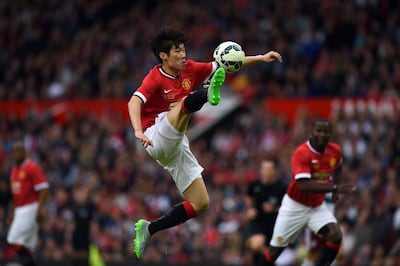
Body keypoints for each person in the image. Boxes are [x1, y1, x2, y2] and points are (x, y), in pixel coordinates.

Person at [128, 26, 282, 259]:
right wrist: (138, 131)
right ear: (163, 56)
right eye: (177, 51)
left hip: (177, 142)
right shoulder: (155, 77)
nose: (183, 54)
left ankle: (149, 228)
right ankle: (207, 93)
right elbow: (134, 102)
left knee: (201, 203)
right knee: (182, 106)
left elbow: (228, 63)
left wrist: (260, 58)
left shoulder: (190, 69)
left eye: (183, 50)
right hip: (154, 135)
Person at [258, 120, 357, 266]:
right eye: (318, 131)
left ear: (330, 134)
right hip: (294, 206)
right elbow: (303, 185)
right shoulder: (302, 153)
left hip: (316, 207)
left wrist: (336, 187)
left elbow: (338, 165)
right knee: (274, 252)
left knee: (335, 235)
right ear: (311, 132)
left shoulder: (335, 150)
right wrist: (333, 188)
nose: (322, 135)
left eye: (325, 131)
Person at [6, 141, 49, 266]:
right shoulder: (14, 169)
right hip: (20, 209)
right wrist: (13, 211)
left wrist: (40, 209)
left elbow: (44, 188)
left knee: (13, 239)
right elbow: (16, 193)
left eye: (19, 151)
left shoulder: (31, 167)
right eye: (14, 152)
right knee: (27, 245)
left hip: (30, 208)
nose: (16, 154)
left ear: (24, 152)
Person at [244, 159, 286, 265]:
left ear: (274, 171)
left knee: (268, 254)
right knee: (256, 244)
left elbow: (287, 207)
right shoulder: (254, 185)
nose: (266, 172)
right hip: (258, 222)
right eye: (264, 169)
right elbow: (248, 196)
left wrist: (274, 208)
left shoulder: (281, 188)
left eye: (269, 169)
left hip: (274, 224)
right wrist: (250, 208)